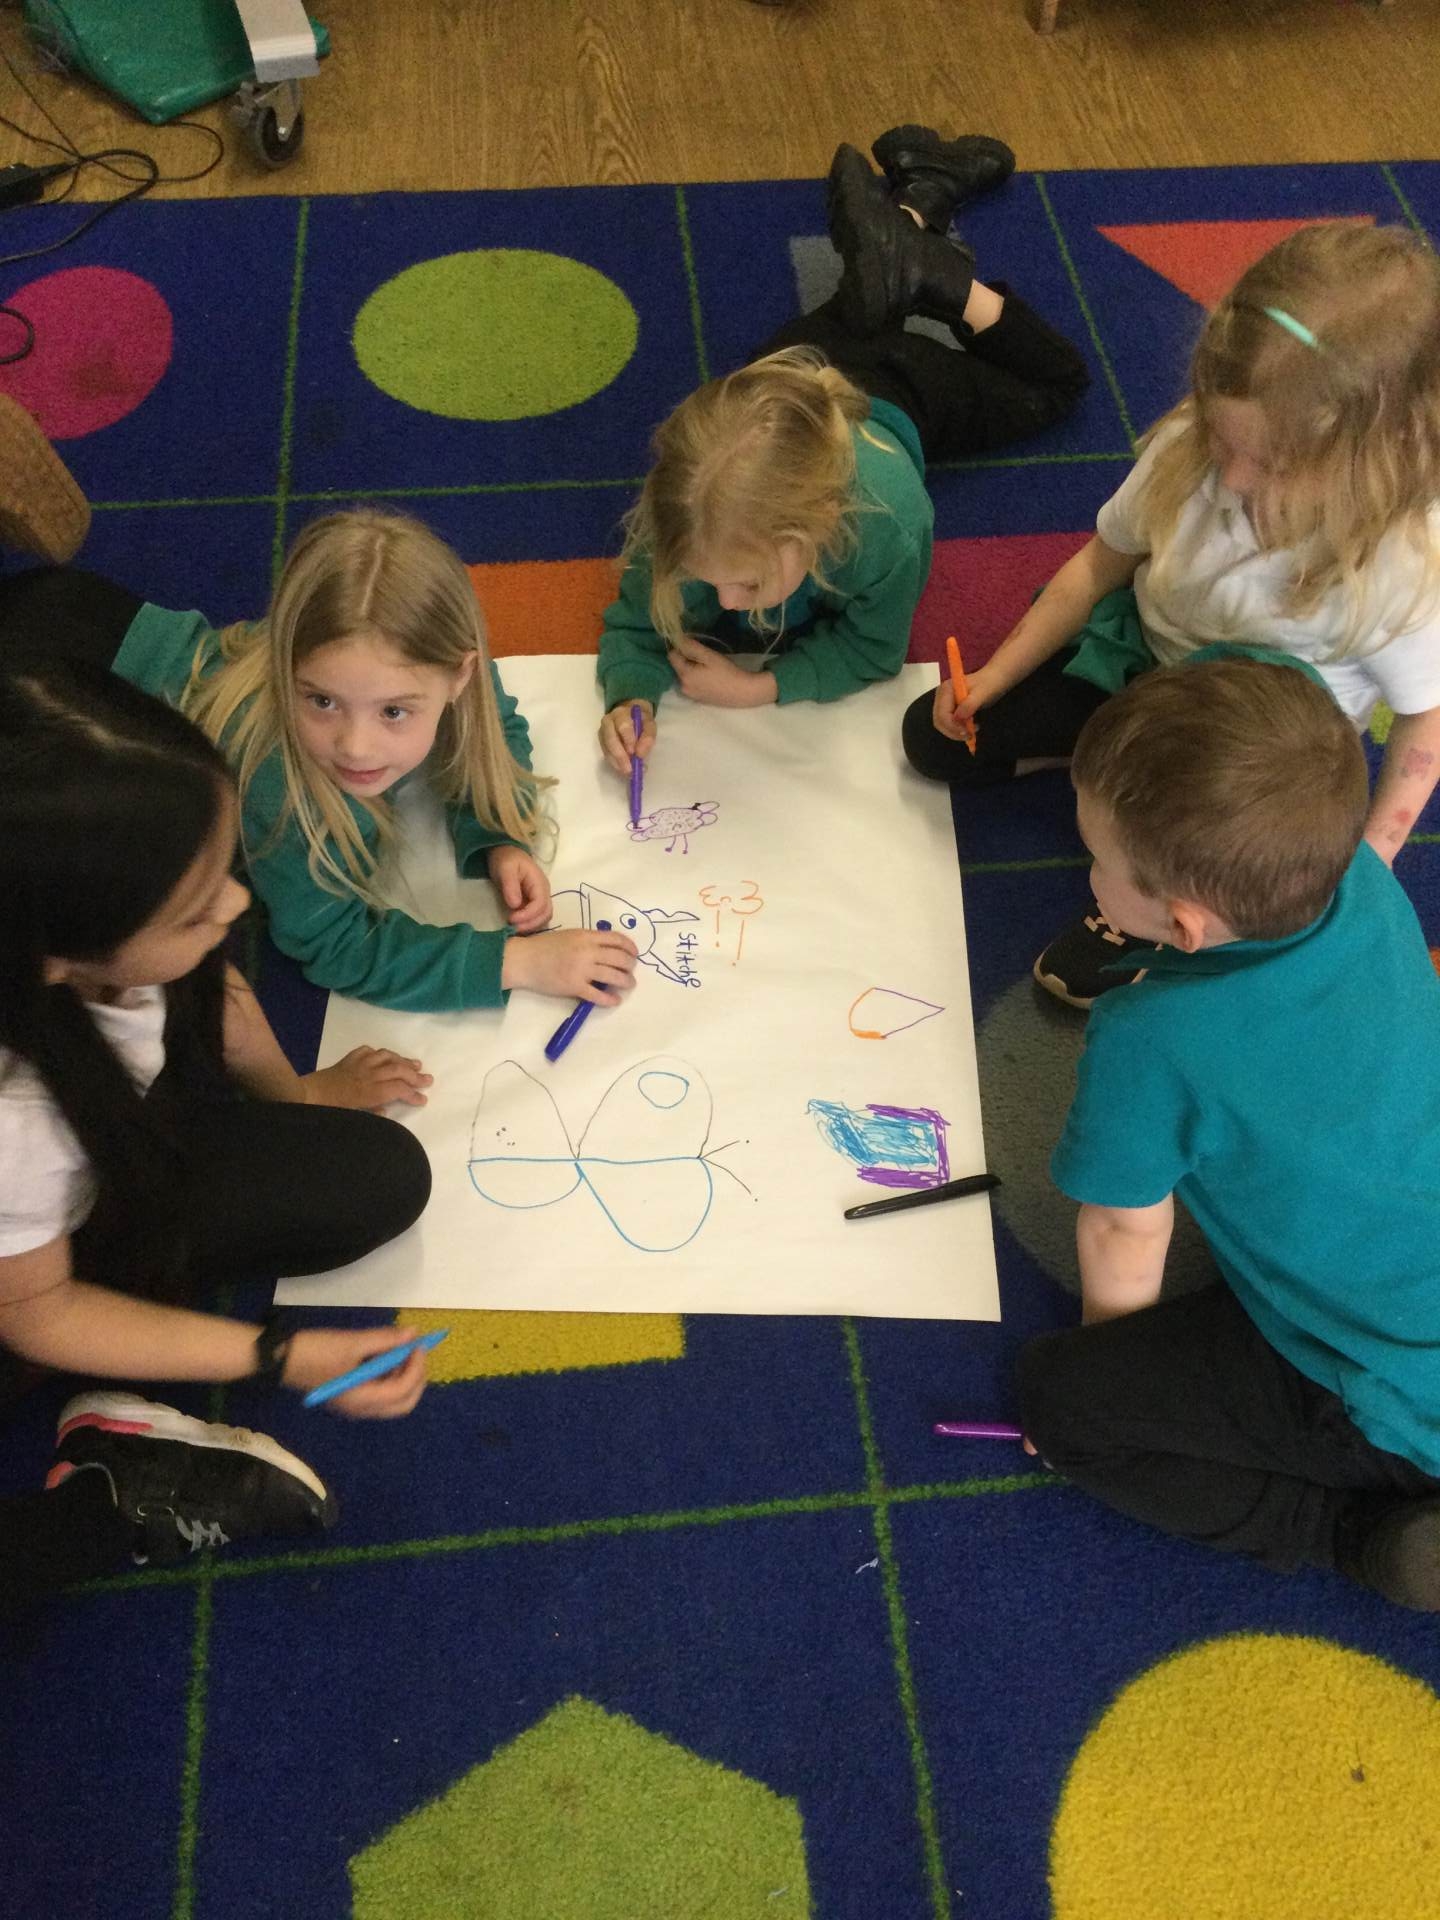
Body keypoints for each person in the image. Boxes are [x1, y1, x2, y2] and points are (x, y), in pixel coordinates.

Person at [902, 221, 1440, 1007]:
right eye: (1223, 439)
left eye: (1270, 464)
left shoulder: (1400, 570)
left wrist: (1375, 855)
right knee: (933, 738)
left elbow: (1425, 722)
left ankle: (1143, 912)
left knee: (1229, 881)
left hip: (1247, 758)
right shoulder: (1189, 453)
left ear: (1372, 460)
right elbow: (1097, 566)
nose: (1233, 478)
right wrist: (995, 676)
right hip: (1142, 671)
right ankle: (1094, 769)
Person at [0, 659, 437, 1616]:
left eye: (224, 870)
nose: (237, 908)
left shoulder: (98, 923)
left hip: (85, 1184)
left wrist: (302, 1095)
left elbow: (213, 988)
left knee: (374, 1176)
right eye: (196, 910)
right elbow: (36, 1310)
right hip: (25, 1279)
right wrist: (275, 1355)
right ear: (53, 957)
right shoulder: (17, 1118)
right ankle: (110, 1493)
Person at [1016, 656, 1440, 1610]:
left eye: (1097, 862)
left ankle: (1353, 1535)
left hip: (1395, 1405)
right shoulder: (1358, 879)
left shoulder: (1152, 1035)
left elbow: (1123, 1228)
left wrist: (1113, 1370)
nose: (1089, 875)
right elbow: (1262, 688)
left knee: (1066, 1401)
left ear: (1183, 924)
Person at [0, 508, 640, 1014]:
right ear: (286, 664)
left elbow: (492, 729)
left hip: (68, 611)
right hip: (35, 674)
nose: (355, 747)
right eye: (322, 701)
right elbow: (337, 944)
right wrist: (518, 963)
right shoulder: (273, 782)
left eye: (395, 711)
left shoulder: (441, 667)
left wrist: (497, 835)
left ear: (459, 675)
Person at [597, 126, 1090, 774]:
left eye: (748, 583)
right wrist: (630, 695)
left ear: (822, 521)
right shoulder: (690, 512)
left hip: (904, 387)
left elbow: (873, 650)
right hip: (788, 363)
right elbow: (635, 623)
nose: (728, 603)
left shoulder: (888, 521)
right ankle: (912, 219)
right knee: (869, 298)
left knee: (1059, 385)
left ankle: (948, 282)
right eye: (711, 581)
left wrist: (761, 687)